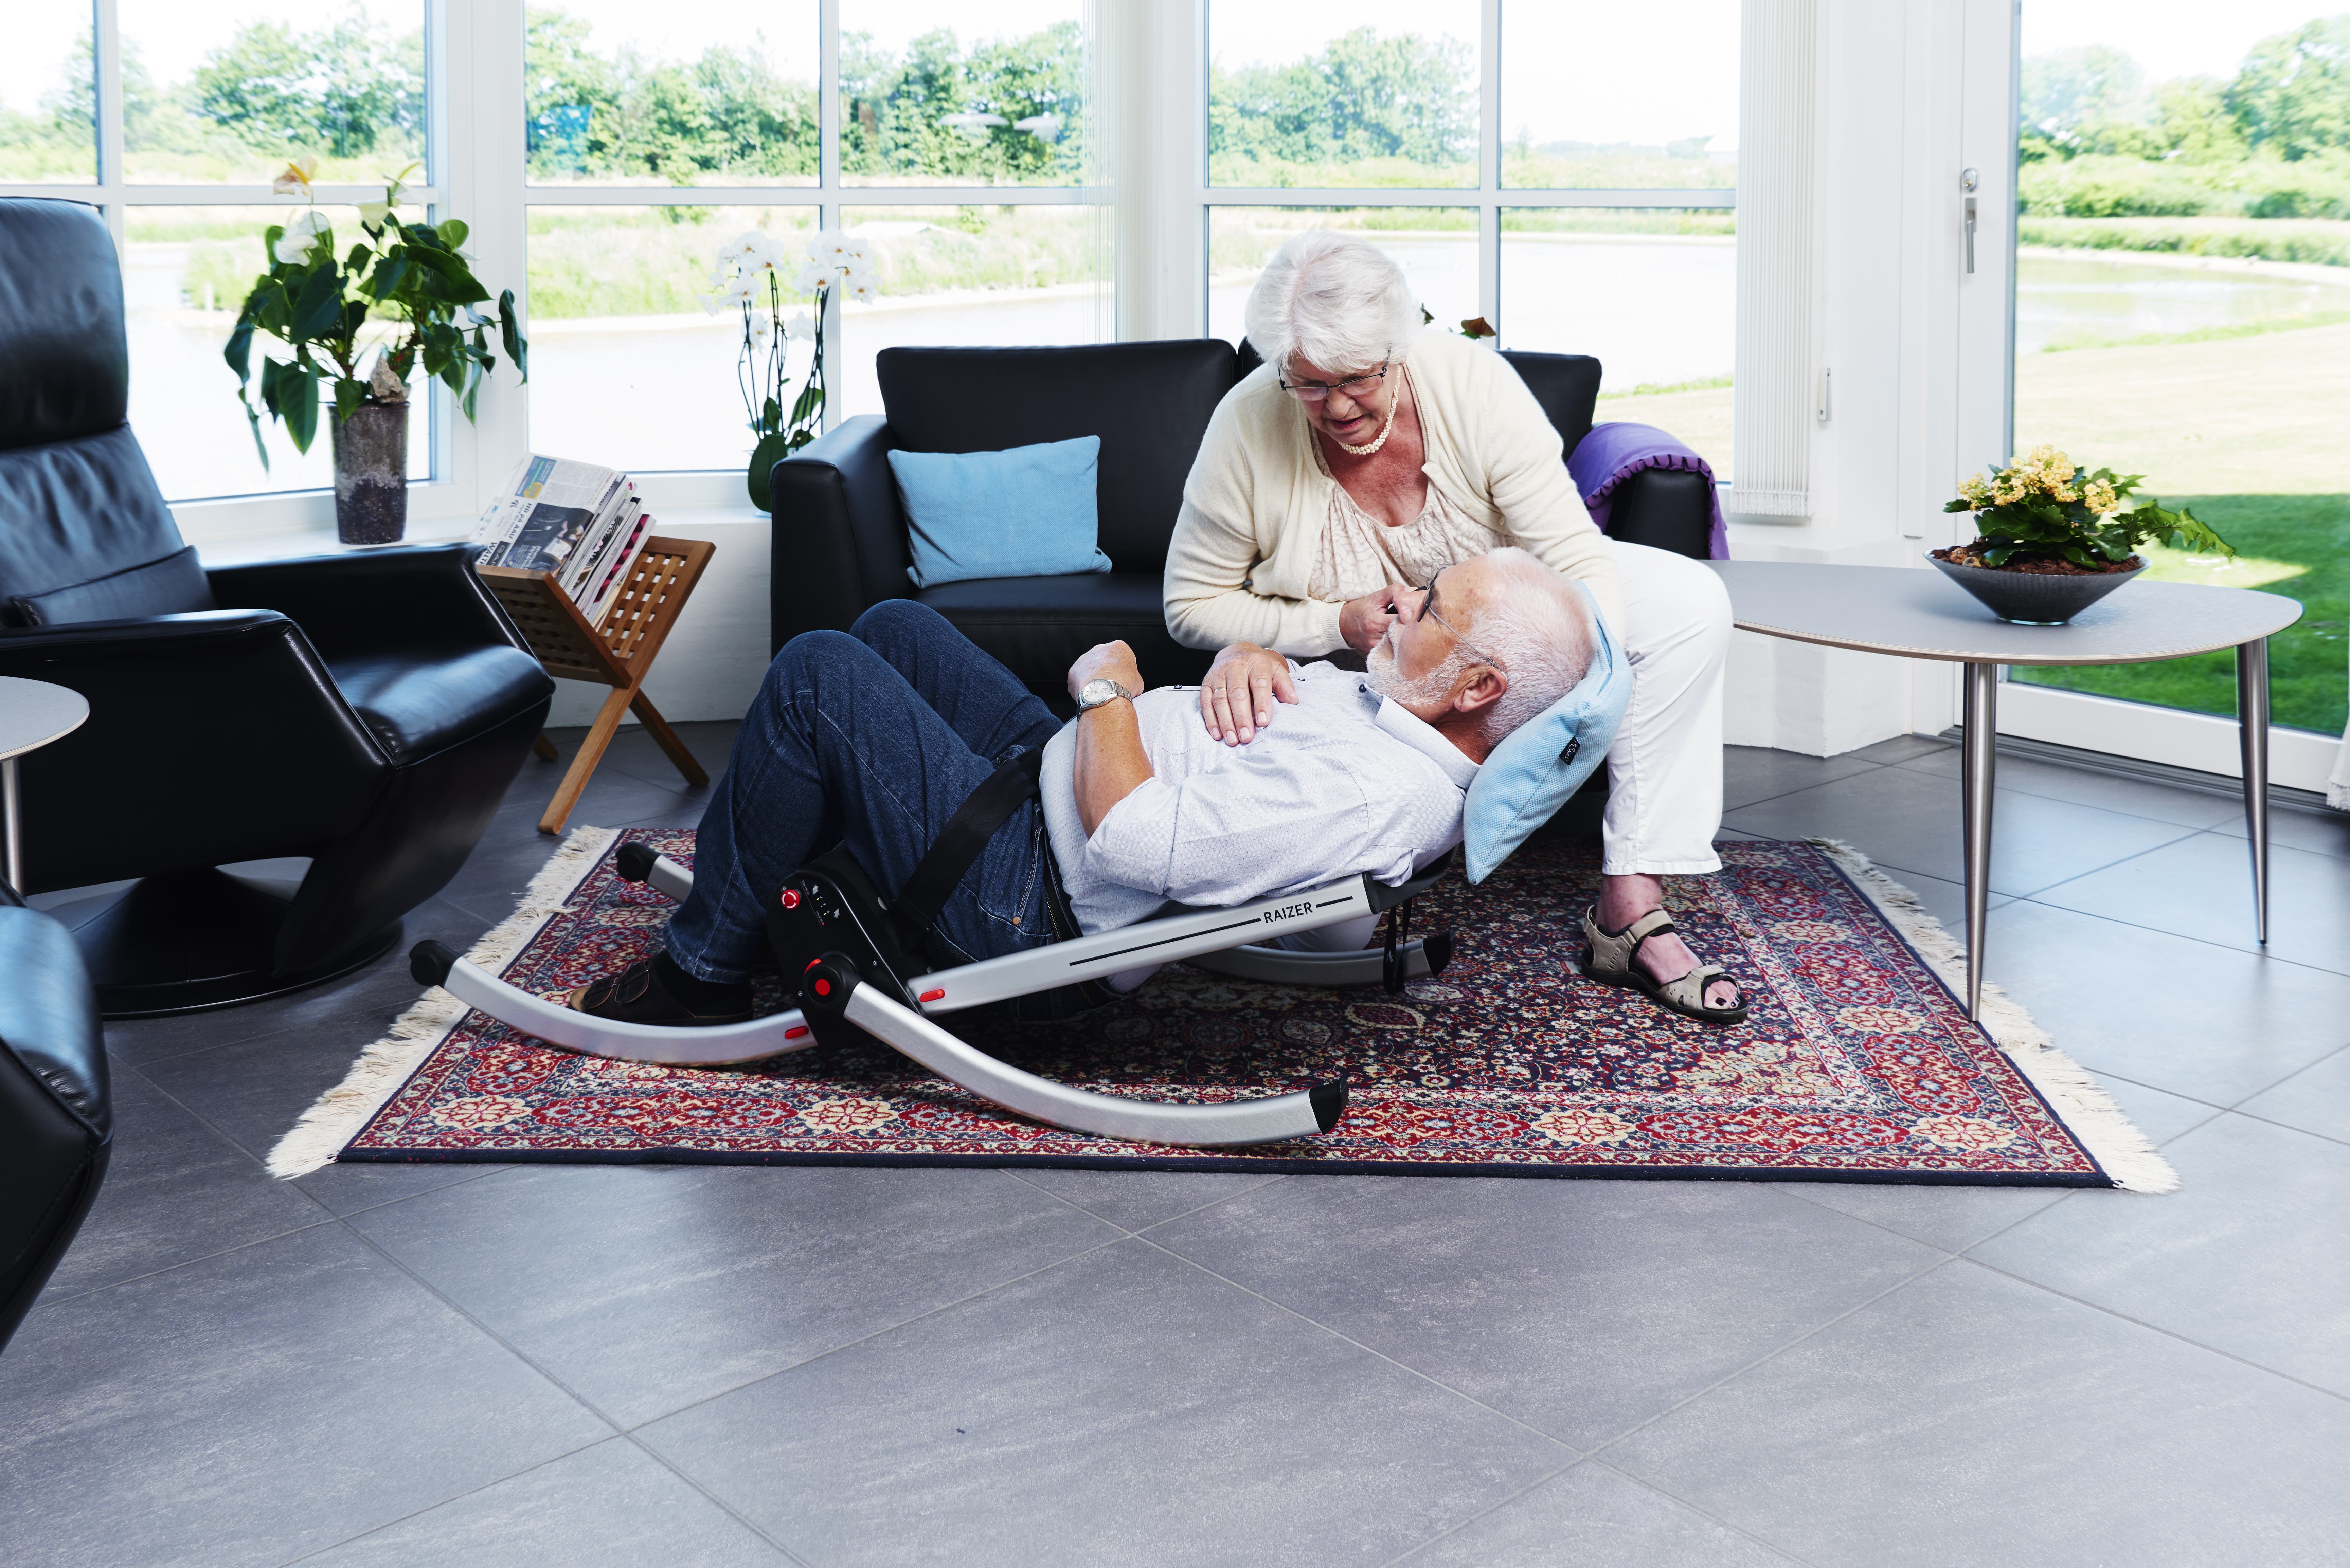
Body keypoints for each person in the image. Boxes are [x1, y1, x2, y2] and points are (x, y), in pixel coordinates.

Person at [567, 549, 1594, 1026]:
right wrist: (1241, 656)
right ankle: (791, 877)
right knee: (893, 627)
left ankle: (699, 976)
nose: (1399, 602)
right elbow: (1248, 733)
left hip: (1025, 902)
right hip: (1043, 785)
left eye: (1431, 606)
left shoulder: (1376, 796)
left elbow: (1138, 844)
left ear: (1480, 686)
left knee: (817, 673)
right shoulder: (1400, 706)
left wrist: (1110, 683)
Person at [1164, 229, 1744, 1025]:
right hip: (1364, 664)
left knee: (1686, 602)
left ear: (1397, 349)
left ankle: (1630, 898)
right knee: (1337, 934)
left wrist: (1570, 693)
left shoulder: (1469, 383)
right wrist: (1334, 619)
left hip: (1506, 616)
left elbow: (1575, 553)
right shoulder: (1247, 423)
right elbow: (1190, 604)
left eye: (1357, 379)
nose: (1334, 407)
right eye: (1306, 383)